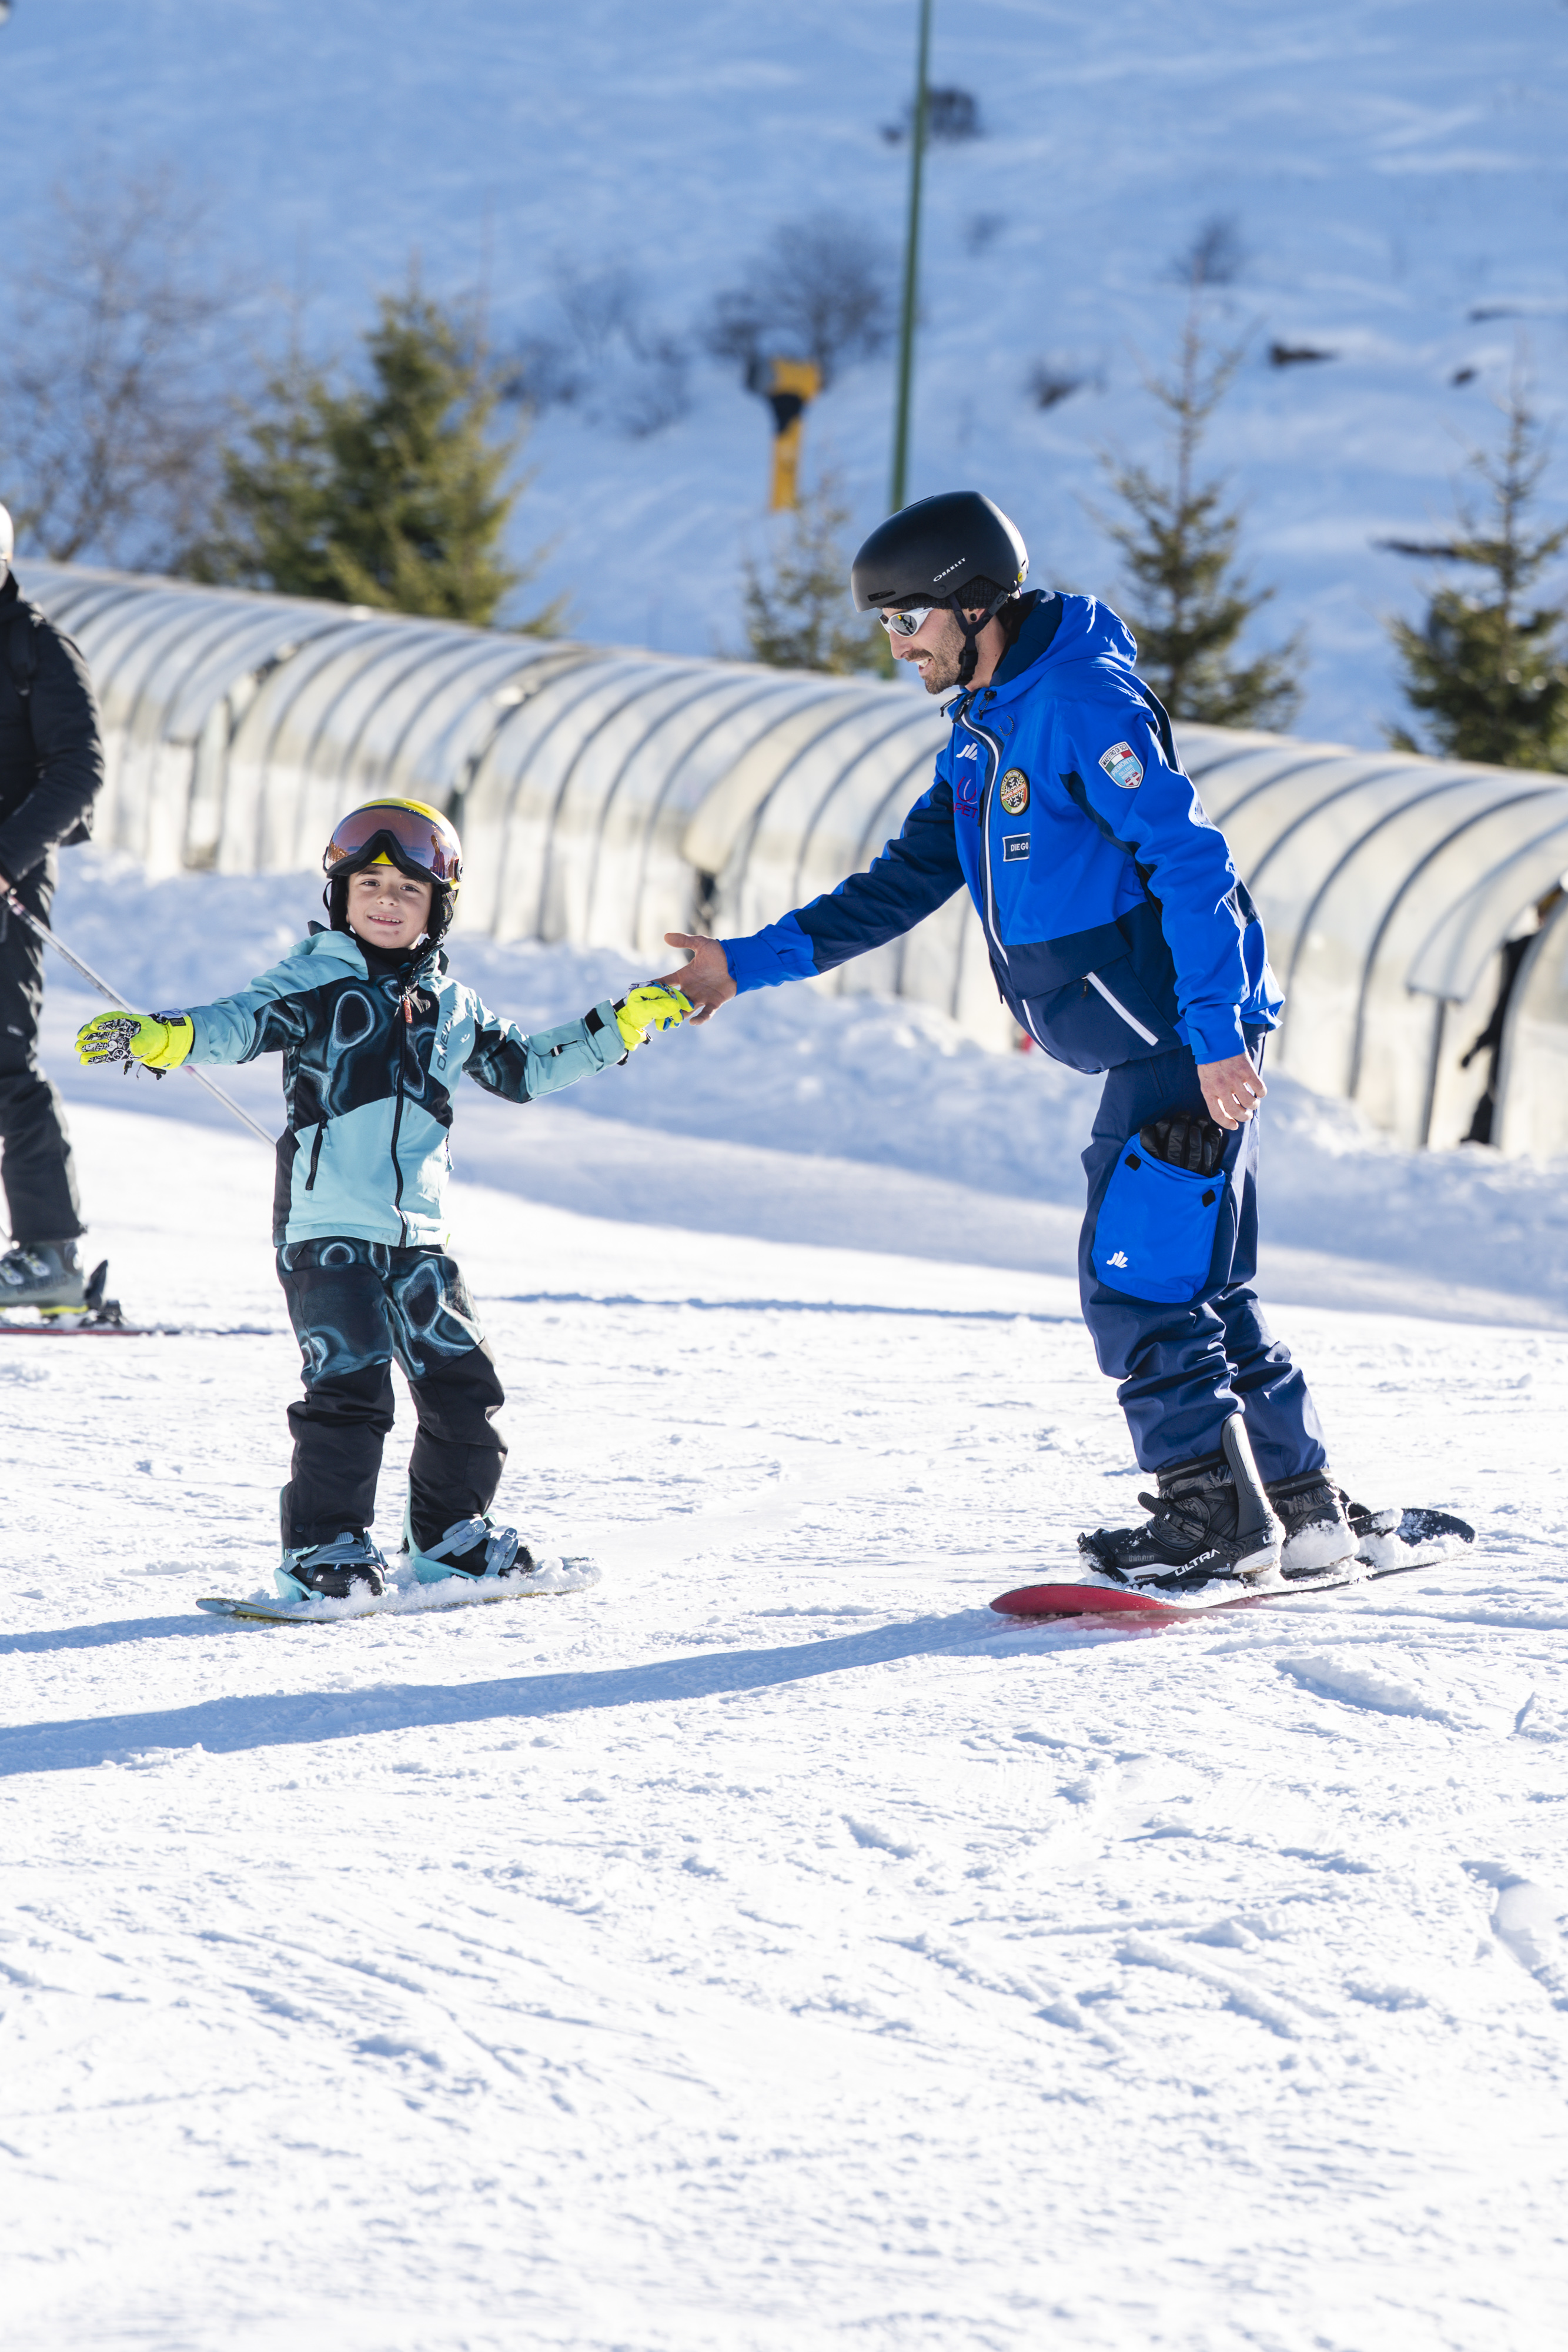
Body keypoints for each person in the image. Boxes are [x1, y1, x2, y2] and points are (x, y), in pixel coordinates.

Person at [660, 490, 1353, 1591]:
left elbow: (1194, 865)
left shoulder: (1078, 701)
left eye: (909, 620)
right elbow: (906, 880)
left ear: (975, 608)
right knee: (1203, 1284)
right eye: (886, 624)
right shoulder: (986, 724)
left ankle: (1213, 1515)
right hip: (1156, 1042)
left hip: (1175, 1044)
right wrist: (748, 963)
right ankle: (1306, 1511)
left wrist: (1219, 1036)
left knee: (1135, 1283)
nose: (898, 645)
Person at [76, 796, 690, 1602]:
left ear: (438, 910)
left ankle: (452, 1538)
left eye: (409, 892)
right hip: (328, 1231)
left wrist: (622, 1023)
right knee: (349, 1390)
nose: (387, 903)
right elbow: (237, 1023)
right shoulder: (317, 981)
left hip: (418, 1237)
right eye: (369, 885)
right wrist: (169, 1036)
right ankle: (326, 1548)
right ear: (341, 897)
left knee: (464, 1384)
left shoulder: (453, 1005)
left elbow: (526, 1070)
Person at [0, 501, 106, 1313]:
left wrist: (6, 856)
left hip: (9, 880)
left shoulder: (36, 647)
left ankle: (50, 1256)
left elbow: (78, 771)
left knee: (4, 1065)